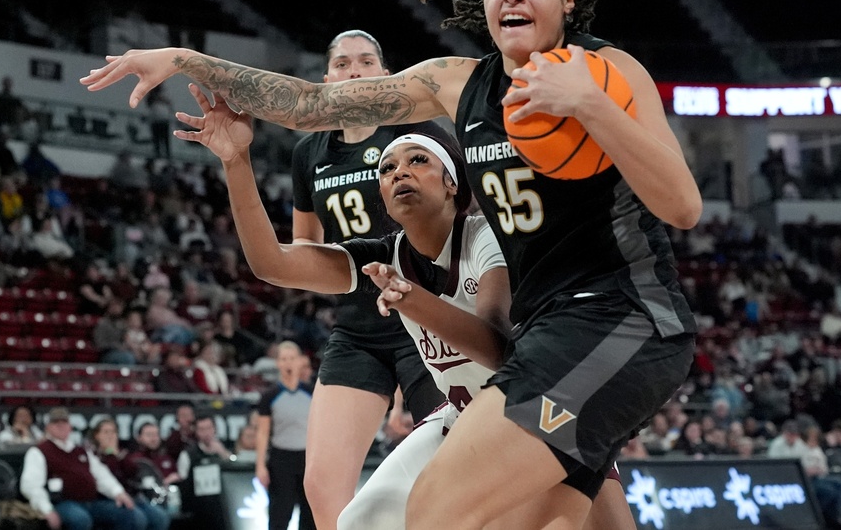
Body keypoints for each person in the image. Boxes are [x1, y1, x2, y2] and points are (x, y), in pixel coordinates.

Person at [83, 0, 701, 528]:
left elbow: (683, 206)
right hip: (545, 330)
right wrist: (182, 60)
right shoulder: (457, 83)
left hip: (623, 315)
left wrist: (592, 106)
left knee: (435, 508)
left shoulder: (607, 70)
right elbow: (311, 105)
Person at [177, 89, 636, 529]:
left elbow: (497, 349)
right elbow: (271, 263)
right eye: (388, 167)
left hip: (542, 411)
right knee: (362, 518)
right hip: (462, 417)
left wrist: (415, 301)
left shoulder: (487, 236)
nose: (400, 172)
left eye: (418, 160)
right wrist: (235, 162)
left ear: (453, 183)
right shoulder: (384, 255)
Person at [284, 29, 448, 530]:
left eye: (366, 61)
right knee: (322, 484)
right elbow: (305, 251)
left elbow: (461, 217)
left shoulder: (419, 134)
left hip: (429, 317)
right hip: (358, 328)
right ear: (327, 78)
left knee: (448, 470)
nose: (354, 71)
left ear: (385, 74)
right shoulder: (308, 153)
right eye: (343, 63)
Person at [19, 407, 138, 530]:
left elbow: (101, 474)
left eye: (64, 423)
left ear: (70, 426)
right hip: (62, 503)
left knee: (127, 513)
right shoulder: (39, 451)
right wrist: (47, 509)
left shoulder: (81, 450)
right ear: (48, 427)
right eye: (56, 423)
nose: (61, 426)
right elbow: (30, 485)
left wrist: (117, 492)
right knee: (80, 519)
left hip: (91, 501)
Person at [254, 340, 315, 530]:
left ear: (300, 361)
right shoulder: (269, 396)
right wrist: (260, 466)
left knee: (309, 515)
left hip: (307, 459)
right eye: (283, 359)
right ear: (278, 363)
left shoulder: (312, 393)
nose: (288, 363)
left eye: (291, 358)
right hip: (281, 459)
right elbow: (263, 433)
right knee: (280, 514)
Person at [91, 418, 171, 530]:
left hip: (132, 496)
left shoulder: (123, 454)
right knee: (136, 518)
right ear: (97, 435)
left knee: (160, 517)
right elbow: (110, 475)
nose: (110, 436)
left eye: (113, 432)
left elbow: (133, 472)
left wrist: (116, 454)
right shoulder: (93, 455)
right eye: (106, 432)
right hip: (106, 499)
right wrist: (110, 454)